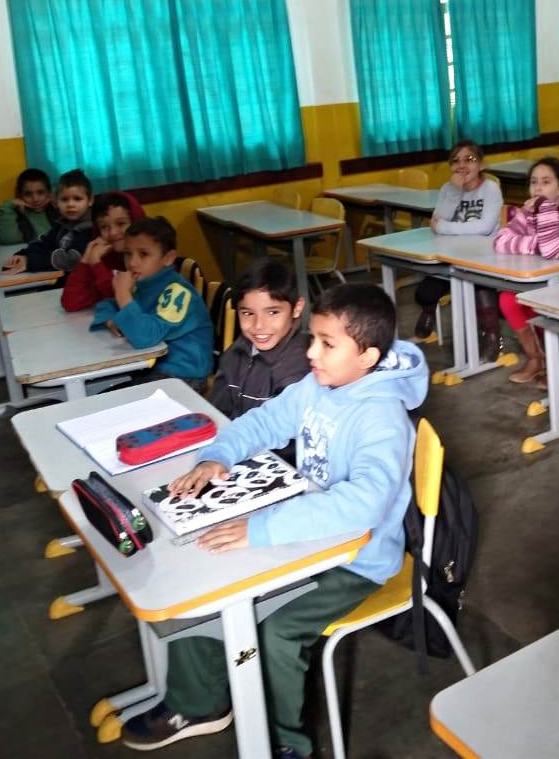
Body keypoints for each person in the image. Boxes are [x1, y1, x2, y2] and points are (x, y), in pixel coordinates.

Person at [121, 284, 429, 757]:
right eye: (313, 339)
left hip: (357, 560)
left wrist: (261, 528)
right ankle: (199, 703)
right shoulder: (319, 385)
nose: (311, 353)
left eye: (327, 344)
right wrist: (218, 455)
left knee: (275, 630)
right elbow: (264, 423)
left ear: (366, 357)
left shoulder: (382, 416)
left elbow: (365, 504)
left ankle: (287, 743)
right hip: (304, 535)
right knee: (205, 578)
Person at [493, 157, 559, 385]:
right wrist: (536, 243)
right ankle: (536, 359)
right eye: (533, 182)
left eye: (546, 182)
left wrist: (545, 210)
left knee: (536, 303)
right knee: (508, 300)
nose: (538, 188)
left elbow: (551, 250)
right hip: (546, 277)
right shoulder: (530, 209)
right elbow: (501, 241)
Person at [90, 216, 212, 391]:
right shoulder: (144, 283)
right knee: (100, 392)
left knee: (108, 401)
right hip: (149, 366)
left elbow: (145, 337)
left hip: (182, 374)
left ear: (168, 258)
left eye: (143, 254)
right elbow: (106, 305)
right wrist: (111, 320)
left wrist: (123, 293)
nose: (132, 263)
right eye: (127, 254)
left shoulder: (177, 292)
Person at [412, 139, 504, 359]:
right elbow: (436, 223)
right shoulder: (447, 189)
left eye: (469, 159)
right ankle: (428, 313)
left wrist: (445, 227)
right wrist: (455, 191)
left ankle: (492, 336)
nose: (462, 165)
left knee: (481, 289)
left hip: (484, 256)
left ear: (481, 165)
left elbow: (484, 228)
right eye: (456, 161)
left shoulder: (491, 189)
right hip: (451, 256)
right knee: (425, 292)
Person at [209, 257, 311, 419]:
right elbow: (215, 412)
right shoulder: (237, 351)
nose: (258, 326)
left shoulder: (300, 368)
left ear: (297, 308)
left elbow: (281, 436)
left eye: (273, 312)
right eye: (248, 314)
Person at [60, 190, 145, 311]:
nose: (113, 233)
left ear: (136, 222)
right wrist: (85, 260)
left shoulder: (148, 260)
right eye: (104, 227)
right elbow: (71, 302)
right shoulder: (105, 258)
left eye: (121, 223)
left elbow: (120, 302)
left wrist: (96, 265)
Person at [1, 168, 94, 274]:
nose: (70, 204)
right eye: (64, 199)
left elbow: (71, 261)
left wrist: (30, 261)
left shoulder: (90, 228)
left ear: (90, 200)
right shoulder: (61, 224)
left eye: (77, 199)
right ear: (56, 201)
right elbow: (45, 243)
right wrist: (23, 254)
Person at [0, 168, 59, 245]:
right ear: (20, 195)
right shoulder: (17, 213)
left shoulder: (55, 207)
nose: (35, 199)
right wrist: (8, 206)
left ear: (48, 192)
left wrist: (58, 198)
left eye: (40, 192)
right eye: (28, 194)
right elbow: (8, 240)